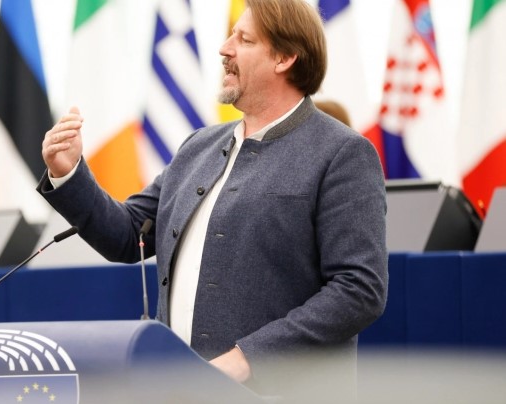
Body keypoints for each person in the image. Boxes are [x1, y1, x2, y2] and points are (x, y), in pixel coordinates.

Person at [38, 0, 387, 398]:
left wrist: (246, 360)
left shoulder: (343, 153)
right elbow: (128, 234)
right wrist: (68, 172)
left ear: (285, 57)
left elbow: (359, 289)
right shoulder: (197, 148)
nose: (224, 48)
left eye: (244, 40)